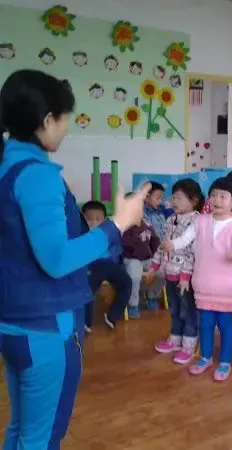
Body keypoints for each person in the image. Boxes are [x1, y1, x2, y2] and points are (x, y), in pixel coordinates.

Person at [0, 69, 148, 448]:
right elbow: (57, 259)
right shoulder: (37, 175)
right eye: (66, 119)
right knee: (42, 437)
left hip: (14, 323)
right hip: (44, 328)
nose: (67, 129)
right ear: (47, 120)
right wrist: (118, 223)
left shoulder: (7, 164)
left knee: (22, 429)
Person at [163, 178, 232, 379]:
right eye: (214, 195)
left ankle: (225, 361)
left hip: (226, 288)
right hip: (203, 285)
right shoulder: (201, 221)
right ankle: (206, 357)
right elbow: (185, 239)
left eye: (223, 196)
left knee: (225, 326)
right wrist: (172, 244)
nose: (216, 200)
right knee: (205, 324)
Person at [150, 178, 203, 364]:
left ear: (193, 200)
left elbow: (192, 253)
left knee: (188, 311)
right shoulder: (171, 219)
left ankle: (189, 344)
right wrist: (155, 265)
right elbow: (163, 245)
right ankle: (175, 339)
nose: (173, 201)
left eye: (178, 197)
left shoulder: (197, 222)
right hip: (170, 273)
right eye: (173, 197)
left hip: (185, 278)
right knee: (174, 309)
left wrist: (185, 277)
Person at [82, 201, 132, 332]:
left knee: (127, 283)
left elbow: (118, 249)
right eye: (89, 219)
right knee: (87, 291)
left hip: (110, 266)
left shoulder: (110, 232)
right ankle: (86, 322)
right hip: (92, 267)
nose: (93, 223)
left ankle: (112, 316)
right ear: (82, 219)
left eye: (98, 219)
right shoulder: (81, 234)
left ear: (104, 220)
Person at [122, 193, 164, 318]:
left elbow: (155, 240)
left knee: (165, 272)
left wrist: (157, 254)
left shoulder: (146, 223)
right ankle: (133, 305)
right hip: (131, 258)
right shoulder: (123, 225)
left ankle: (151, 295)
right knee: (135, 278)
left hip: (147, 258)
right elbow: (125, 243)